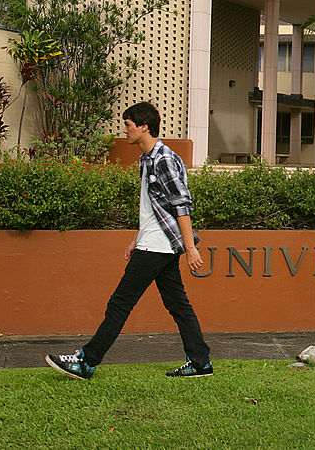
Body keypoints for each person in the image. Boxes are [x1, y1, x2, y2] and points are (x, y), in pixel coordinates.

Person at [46, 102, 212, 380]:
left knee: (120, 303)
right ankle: (200, 363)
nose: (124, 130)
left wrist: (190, 247)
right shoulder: (147, 159)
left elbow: (181, 204)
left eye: (128, 125)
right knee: (178, 304)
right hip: (154, 242)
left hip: (158, 247)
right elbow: (154, 206)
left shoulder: (164, 159)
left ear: (144, 126)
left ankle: (87, 361)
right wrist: (137, 237)